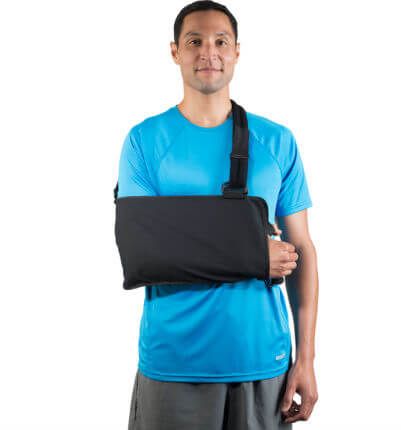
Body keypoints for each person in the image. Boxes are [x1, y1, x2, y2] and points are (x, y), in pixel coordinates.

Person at [115, 1, 319, 428]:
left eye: (220, 42)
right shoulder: (144, 141)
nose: (209, 52)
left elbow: (301, 249)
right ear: (175, 52)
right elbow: (141, 251)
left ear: (237, 51)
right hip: (173, 362)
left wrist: (307, 358)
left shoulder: (276, 141)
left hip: (263, 358)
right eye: (195, 41)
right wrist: (251, 254)